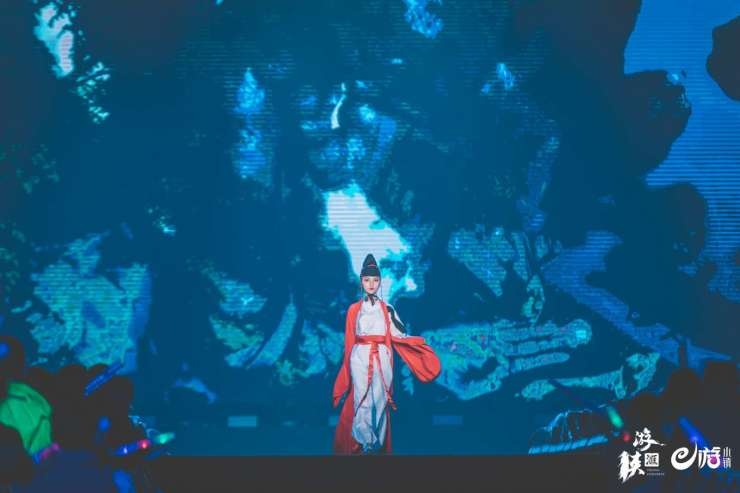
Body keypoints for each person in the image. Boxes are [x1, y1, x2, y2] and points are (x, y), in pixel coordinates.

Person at [332, 254, 441, 455]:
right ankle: (364, 443)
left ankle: (377, 445)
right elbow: (349, 339)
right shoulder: (354, 309)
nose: (371, 284)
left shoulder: (387, 309)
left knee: (380, 400)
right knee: (362, 399)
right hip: (360, 355)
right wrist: (346, 369)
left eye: (375, 280)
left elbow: (399, 335)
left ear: (380, 282)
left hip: (382, 356)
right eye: (367, 280)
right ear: (361, 282)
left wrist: (417, 344)